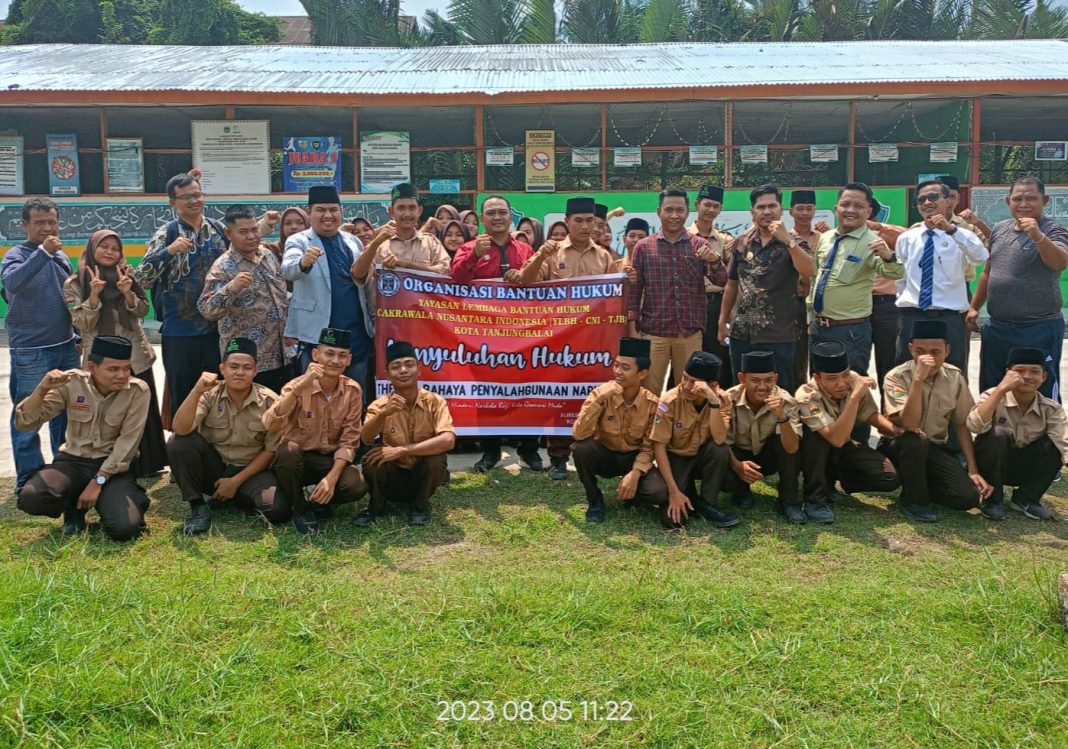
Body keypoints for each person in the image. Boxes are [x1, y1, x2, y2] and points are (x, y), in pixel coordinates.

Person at [519, 196, 621, 479]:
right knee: (558, 396)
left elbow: (614, 297)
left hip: (594, 342)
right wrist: (539, 255)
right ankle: (558, 458)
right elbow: (527, 282)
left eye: (590, 221)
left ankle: (591, 452)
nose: (585, 226)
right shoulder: (551, 253)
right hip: (559, 340)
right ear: (567, 222)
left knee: (592, 396)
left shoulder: (603, 256)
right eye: (579, 221)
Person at [15, 335, 151, 540]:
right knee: (31, 497)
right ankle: (74, 509)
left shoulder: (138, 391)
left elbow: (127, 445)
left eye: (126, 368)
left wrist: (98, 481)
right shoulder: (71, 382)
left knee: (125, 529)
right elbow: (25, 423)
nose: (122, 375)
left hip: (112, 467)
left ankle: (111, 500)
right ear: (92, 366)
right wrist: (42, 389)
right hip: (73, 462)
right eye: (113, 369)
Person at [63, 229, 167, 477]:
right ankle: (112, 466)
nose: (109, 252)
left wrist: (127, 291)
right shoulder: (75, 282)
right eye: (104, 247)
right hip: (101, 360)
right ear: (92, 249)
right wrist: (95, 295)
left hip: (134, 355)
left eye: (115, 248)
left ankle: (148, 465)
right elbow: (82, 323)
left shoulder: (126, 274)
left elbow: (142, 310)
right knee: (108, 412)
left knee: (141, 409)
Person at [450, 196, 542, 473]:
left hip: (522, 335)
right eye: (491, 213)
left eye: (502, 212)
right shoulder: (469, 248)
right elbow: (457, 278)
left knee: (528, 391)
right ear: (481, 218)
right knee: (485, 392)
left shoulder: (525, 249)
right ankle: (490, 450)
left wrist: (523, 278)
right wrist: (476, 255)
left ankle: (530, 449)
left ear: (510, 217)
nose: (498, 217)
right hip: (482, 337)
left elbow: (540, 284)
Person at [167, 337, 287, 535]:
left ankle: (232, 495)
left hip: (250, 471)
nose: (240, 372)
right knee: (178, 443)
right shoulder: (209, 395)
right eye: (234, 366)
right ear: (222, 369)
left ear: (255, 371)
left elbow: (270, 450)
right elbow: (180, 428)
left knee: (277, 511)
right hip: (215, 468)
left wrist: (235, 482)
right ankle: (197, 506)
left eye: (247, 367)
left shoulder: (269, 401)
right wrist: (196, 391)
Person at [134, 171, 228, 417]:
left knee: (218, 394)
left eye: (197, 195)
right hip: (180, 332)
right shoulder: (167, 233)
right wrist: (168, 252)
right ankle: (183, 450)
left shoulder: (219, 230)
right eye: (185, 197)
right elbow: (141, 278)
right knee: (183, 393)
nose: (193, 201)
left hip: (217, 330)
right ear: (172, 203)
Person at [2, 197, 82, 489]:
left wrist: (78, 334)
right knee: (28, 414)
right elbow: (12, 284)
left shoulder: (61, 256)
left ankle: (63, 471)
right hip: (32, 351)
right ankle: (28, 479)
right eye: (39, 223)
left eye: (52, 222)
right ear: (25, 225)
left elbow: (68, 299)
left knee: (67, 413)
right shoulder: (17, 255)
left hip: (66, 346)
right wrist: (43, 253)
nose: (47, 228)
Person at [880, 320, 992, 522]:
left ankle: (922, 483)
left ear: (947, 351)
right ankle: (914, 500)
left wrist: (973, 469)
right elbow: (910, 425)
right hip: (901, 445)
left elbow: (961, 424)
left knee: (967, 498)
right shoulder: (896, 377)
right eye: (920, 351)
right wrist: (918, 380)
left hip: (935, 448)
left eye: (935, 352)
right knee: (916, 440)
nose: (927, 358)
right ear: (910, 349)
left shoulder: (954, 376)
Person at [968, 176, 1068, 401]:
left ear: (1045, 200)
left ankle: (1042, 436)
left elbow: (1059, 263)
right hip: (998, 327)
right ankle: (994, 435)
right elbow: (988, 271)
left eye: (1031, 198)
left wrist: (1037, 236)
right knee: (993, 387)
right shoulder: (1000, 230)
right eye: (1018, 199)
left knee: (1039, 388)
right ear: (1008, 201)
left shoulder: (1052, 230)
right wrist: (974, 307)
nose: (1024, 204)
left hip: (1038, 327)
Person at [263, 327, 368, 535]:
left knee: (357, 484)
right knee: (287, 451)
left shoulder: (352, 391)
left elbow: (349, 441)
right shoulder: (296, 386)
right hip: (297, 461)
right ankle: (300, 510)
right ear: (315, 355)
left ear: (349, 360)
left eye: (342, 356)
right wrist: (302, 385)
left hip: (328, 460)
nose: (335, 361)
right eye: (329, 354)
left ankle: (316, 497)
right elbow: (269, 423)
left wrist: (331, 478)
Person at [628, 187, 725, 396]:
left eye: (679, 210)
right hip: (653, 332)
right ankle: (649, 429)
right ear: (658, 211)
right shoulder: (644, 247)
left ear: (688, 212)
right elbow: (635, 291)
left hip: (689, 332)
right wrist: (632, 327)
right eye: (668, 210)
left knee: (689, 391)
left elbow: (722, 280)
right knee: (649, 391)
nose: (674, 216)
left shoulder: (700, 245)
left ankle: (685, 430)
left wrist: (715, 260)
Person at [719, 184, 814, 392]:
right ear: (752, 212)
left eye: (772, 206)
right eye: (761, 207)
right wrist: (722, 321)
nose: (767, 211)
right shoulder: (742, 242)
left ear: (782, 209)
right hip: (741, 333)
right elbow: (732, 283)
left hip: (779, 334)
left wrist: (788, 241)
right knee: (742, 391)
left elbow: (808, 270)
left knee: (780, 391)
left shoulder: (795, 242)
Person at [795, 341, 901, 525]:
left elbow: (871, 415)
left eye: (845, 375)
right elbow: (835, 438)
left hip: (842, 446)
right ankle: (815, 500)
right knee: (816, 438)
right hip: (814, 451)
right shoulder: (806, 395)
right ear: (817, 377)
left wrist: (897, 430)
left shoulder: (854, 379)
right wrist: (854, 398)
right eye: (832, 378)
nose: (841, 383)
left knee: (889, 478)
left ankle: (835, 483)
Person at [807, 182, 902, 378]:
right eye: (845, 204)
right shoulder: (825, 238)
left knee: (848, 387)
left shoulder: (873, 242)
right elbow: (816, 278)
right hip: (819, 328)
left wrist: (888, 256)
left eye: (858, 206)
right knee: (818, 386)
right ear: (836, 208)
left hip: (850, 331)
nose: (850, 210)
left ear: (868, 212)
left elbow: (895, 273)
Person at [283, 185, 375, 385]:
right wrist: (303, 262)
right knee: (313, 397)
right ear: (309, 212)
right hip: (317, 336)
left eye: (333, 210)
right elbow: (288, 269)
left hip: (355, 335)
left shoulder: (353, 241)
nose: (328, 215)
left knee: (354, 396)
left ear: (341, 212)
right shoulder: (298, 241)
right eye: (321, 210)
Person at [357, 340, 456, 527]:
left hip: (421, 477)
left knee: (437, 459)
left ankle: (420, 506)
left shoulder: (435, 402)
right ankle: (377, 505)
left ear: (419, 369)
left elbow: (448, 440)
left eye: (409, 365)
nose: (403, 370)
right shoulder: (379, 405)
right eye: (396, 367)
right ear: (388, 374)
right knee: (371, 458)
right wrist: (383, 414)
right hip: (392, 478)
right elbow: (366, 438)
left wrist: (404, 450)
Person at [893, 180, 988, 372]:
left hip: (948, 318)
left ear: (948, 201)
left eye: (933, 197)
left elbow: (980, 258)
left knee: (951, 374)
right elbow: (901, 277)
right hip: (912, 316)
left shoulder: (961, 235)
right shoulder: (907, 237)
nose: (927, 202)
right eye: (921, 200)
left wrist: (951, 230)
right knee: (907, 373)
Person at [571, 337, 665, 523]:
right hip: (605, 455)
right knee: (581, 448)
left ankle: (633, 495)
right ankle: (594, 499)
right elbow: (578, 433)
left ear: (642, 374)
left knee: (659, 493)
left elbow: (649, 447)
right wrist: (598, 401)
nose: (617, 372)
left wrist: (636, 473)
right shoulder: (601, 393)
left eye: (625, 368)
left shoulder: (653, 405)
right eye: (616, 365)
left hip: (632, 458)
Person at [199, 205, 291, 393]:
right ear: (229, 233)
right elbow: (206, 309)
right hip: (248, 363)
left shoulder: (266, 254)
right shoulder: (223, 267)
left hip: (282, 354)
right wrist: (230, 289)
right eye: (243, 232)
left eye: (254, 229)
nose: (251, 236)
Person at [968, 347, 1066, 521]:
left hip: (1025, 467)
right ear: (1008, 373)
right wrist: (1001, 390)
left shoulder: (1051, 409)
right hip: (992, 465)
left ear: (1043, 377)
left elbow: (1064, 441)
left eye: (1034, 371)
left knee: (1054, 446)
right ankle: (993, 500)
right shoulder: (992, 396)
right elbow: (974, 426)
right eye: (1019, 371)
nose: (1027, 376)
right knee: (998, 435)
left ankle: (1026, 498)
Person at [648, 351, 739, 530]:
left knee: (719, 450)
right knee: (673, 521)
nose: (688, 386)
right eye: (685, 378)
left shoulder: (721, 399)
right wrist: (674, 492)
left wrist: (713, 401)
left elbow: (720, 439)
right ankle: (686, 492)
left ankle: (707, 503)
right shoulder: (670, 400)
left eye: (695, 383)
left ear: (712, 386)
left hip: (703, 455)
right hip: (676, 457)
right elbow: (659, 447)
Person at [722, 350, 803, 520]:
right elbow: (721, 441)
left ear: (776, 378)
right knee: (725, 472)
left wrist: (782, 417)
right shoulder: (729, 399)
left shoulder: (786, 401)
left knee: (786, 440)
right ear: (742, 378)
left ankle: (789, 501)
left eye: (768, 380)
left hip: (768, 455)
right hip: (739, 455)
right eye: (755, 381)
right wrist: (737, 466)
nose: (762, 387)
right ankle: (741, 490)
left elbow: (792, 447)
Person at [351, 183, 452, 283]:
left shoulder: (431, 243)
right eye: (401, 208)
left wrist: (407, 265)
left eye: (412, 208)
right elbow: (358, 275)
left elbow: (446, 272)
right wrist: (375, 243)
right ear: (391, 211)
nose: (407, 214)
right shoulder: (380, 245)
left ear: (419, 211)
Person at [690, 184, 734, 387]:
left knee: (718, 355)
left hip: (717, 305)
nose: (710, 210)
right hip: (690, 304)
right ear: (697, 204)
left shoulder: (725, 240)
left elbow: (731, 275)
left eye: (716, 206)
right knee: (689, 356)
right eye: (707, 205)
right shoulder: (684, 237)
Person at [787, 189, 821, 386]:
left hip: (819, 304)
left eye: (809, 208)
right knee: (796, 357)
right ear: (791, 211)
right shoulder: (783, 238)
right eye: (800, 208)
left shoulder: (824, 238)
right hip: (793, 304)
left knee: (818, 355)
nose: (805, 213)